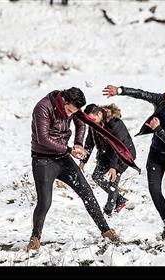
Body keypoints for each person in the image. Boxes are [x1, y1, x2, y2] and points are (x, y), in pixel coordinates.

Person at [27, 87, 120, 251]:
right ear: (63, 101)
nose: (70, 114)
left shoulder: (73, 109)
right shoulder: (43, 107)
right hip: (43, 159)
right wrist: (69, 150)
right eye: (69, 110)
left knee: (87, 193)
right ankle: (35, 238)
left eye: (74, 111)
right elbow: (43, 138)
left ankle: (106, 231)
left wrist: (78, 142)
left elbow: (80, 123)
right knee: (45, 202)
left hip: (63, 158)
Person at [102, 79, 165, 244]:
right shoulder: (162, 100)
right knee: (154, 190)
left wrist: (157, 129)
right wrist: (120, 90)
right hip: (156, 155)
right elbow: (142, 94)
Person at [79, 103, 136, 216]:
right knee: (96, 176)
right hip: (106, 154)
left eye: (93, 119)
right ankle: (120, 199)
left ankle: (108, 211)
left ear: (100, 113)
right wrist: (83, 161)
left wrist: (113, 167)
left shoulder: (115, 124)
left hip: (124, 155)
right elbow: (89, 143)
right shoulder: (94, 125)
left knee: (113, 181)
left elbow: (118, 147)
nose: (92, 122)